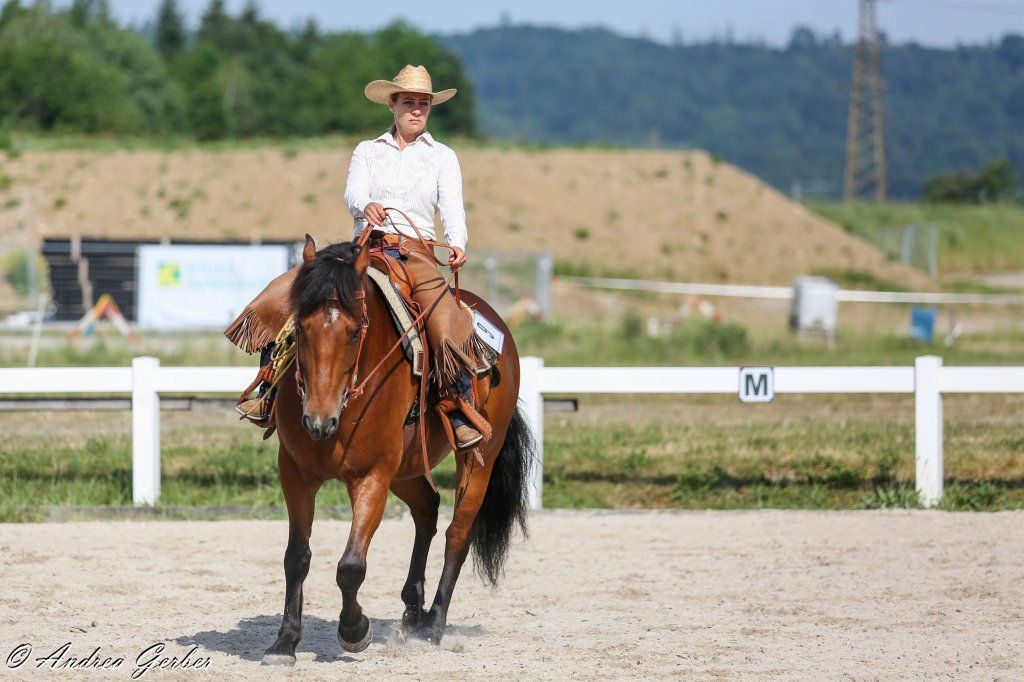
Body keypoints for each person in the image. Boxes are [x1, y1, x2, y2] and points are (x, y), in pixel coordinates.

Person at [346, 65, 489, 449]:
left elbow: (452, 207)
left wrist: (457, 242)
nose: (416, 110)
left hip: (417, 253)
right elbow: (352, 192)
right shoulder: (367, 150)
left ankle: (457, 404)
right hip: (367, 247)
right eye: (408, 102)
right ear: (391, 105)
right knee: (307, 293)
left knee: (443, 319)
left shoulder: (443, 156)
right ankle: (272, 382)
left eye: (423, 104)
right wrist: (365, 204)